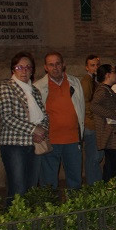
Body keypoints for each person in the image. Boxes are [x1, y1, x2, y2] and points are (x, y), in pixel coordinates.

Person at [0, 52, 48, 202]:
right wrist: (34, 130)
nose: (24, 71)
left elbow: (44, 116)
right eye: (19, 67)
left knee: (31, 187)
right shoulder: (6, 88)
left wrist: (42, 131)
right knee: (17, 188)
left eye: (28, 67)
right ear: (13, 70)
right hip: (14, 145)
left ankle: (29, 223)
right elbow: (6, 118)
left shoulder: (35, 91)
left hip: (35, 143)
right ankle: (14, 223)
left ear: (32, 71)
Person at [34, 52, 85, 190]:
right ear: (45, 67)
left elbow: (81, 108)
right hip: (51, 141)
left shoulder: (75, 83)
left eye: (58, 63)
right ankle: (51, 210)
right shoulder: (38, 87)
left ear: (63, 65)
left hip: (73, 140)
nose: (55, 67)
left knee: (75, 181)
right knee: (48, 183)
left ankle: (75, 209)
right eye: (51, 64)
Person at [91, 64, 116, 181]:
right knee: (114, 167)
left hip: (115, 135)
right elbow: (94, 106)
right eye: (113, 72)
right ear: (108, 75)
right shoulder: (102, 91)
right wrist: (115, 115)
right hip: (111, 136)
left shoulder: (108, 90)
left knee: (114, 166)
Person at [80, 54, 103, 185]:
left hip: (95, 124)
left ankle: (96, 184)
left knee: (97, 157)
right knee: (93, 157)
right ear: (86, 67)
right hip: (91, 125)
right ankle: (93, 186)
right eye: (92, 65)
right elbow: (86, 103)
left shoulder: (95, 81)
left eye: (97, 65)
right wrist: (94, 118)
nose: (95, 68)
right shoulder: (86, 81)